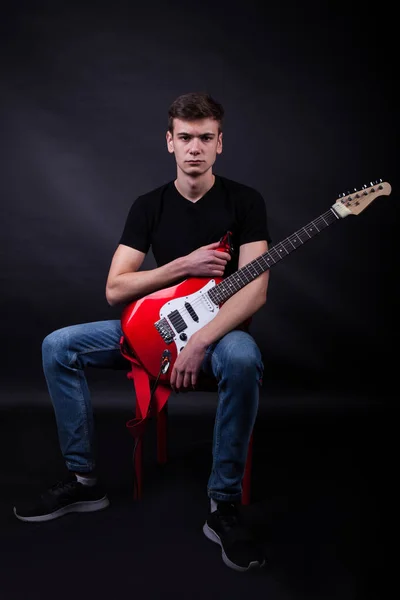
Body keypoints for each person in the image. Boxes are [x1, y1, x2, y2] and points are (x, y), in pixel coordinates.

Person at [13, 92, 272, 572]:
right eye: (186, 138)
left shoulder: (245, 201)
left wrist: (203, 340)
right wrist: (183, 265)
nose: (195, 148)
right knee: (58, 345)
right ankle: (84, 481)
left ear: (220, 144)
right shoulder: (148, 205)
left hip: (216, 333)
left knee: (241, 357)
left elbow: (254, 292)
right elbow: (116, 288)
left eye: (206, 138)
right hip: (156, 328)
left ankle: (224, 506)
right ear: (169, 142)